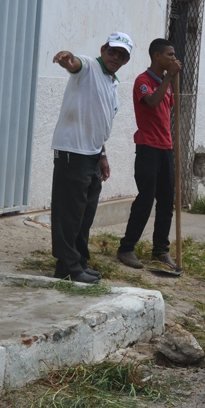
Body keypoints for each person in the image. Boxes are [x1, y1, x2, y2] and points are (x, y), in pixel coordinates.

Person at [50, 31, 133, 284]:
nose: (115, 57)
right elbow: (75, 64)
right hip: (72, 152)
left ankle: (79, 261)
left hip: (92, 154)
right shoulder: (89, 67)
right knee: (69, 213)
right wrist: (68, 59)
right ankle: (68, 266)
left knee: (85, 213)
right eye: (112, 51)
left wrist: (103, 155)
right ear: (103, 49)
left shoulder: (112, 82)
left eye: (122, 55)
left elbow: (99, 122)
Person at [117, 39, 183, 270]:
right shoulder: (143, 81)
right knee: (146, 199)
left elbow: (169, 109)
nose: (174, 59)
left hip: (166, 147)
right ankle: (126, 248)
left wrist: (171, 79)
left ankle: (160, 250)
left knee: (167, 201)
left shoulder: (168, 81)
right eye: (170, 54)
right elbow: (153, 102)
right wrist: (168, 78)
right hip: (148, 147)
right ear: (157, 56)